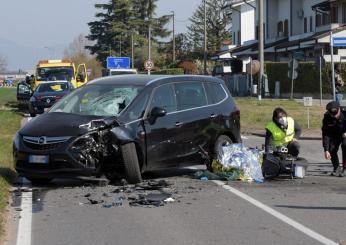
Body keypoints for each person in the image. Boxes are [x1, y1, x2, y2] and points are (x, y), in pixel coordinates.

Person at [322, 101, 346, 176]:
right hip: (335, 134)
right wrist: (326, 150)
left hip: (345, 133)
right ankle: (337, 167)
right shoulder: (327, 117)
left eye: (336, 114)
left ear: (339, 109)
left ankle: (345, 168)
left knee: (345, 145)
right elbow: (326, 134)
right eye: (332, 115)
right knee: (331, 149)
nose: (334, 116)